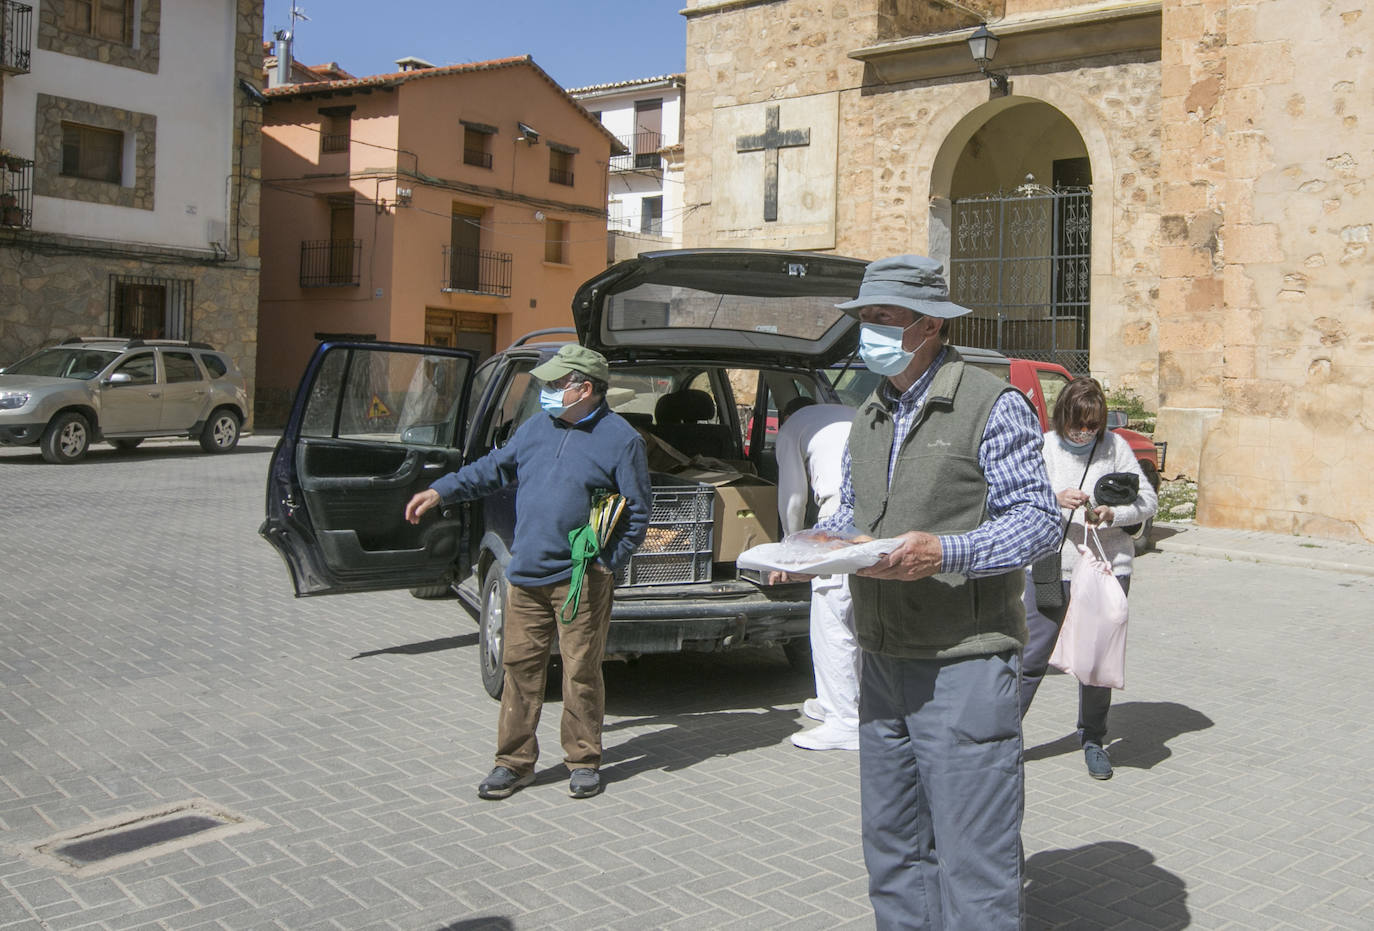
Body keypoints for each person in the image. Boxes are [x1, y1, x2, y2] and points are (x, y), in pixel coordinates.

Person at [776, 255, 1059, 929]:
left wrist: (944, 551)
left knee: (974, 860)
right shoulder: (870, 412)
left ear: (930, 324)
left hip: (963, 660)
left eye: (883, 318)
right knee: (895, 851)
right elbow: (853, 515)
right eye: (864, 317)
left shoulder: (992, 405)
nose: (868, 331)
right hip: (884, 661)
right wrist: (810, 549)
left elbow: (1040, 520)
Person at [404, 344, 651, 801]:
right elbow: (492, 470)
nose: (549, 390)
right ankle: (513, 764)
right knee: (520, 670)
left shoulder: (622, 440)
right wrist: (440, 492)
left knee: (580, 671)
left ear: (587, 388)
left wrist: (605, 564)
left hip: (581, 578)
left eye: (559, 384)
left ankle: (583, 760)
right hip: (527, 574)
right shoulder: (537, 427)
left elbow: (637, 513)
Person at [1018, 376, 1158, 781]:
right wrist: (1055, 499)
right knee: (1031, 656)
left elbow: (1146, 500)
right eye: (1078, 424)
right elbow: (1017, 498)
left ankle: (1093, 739)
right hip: (1050, 564)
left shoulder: (1115, 447)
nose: (1085, 432)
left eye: (1093, 425)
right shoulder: (1043, 447)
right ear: (1063, 416)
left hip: (1106, 568)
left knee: (1096, 662)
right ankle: (1004, 739)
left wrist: (1114, 514)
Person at [774, 395, 860, 751]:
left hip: (839, 520)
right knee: (861, 619)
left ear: (787, 417)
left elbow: (793, 497)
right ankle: (844, 703)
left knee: (832, 622)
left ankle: (844, 721)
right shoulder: (856, 414)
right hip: (881, 522)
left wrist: (791, 549)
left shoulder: (793, 427)